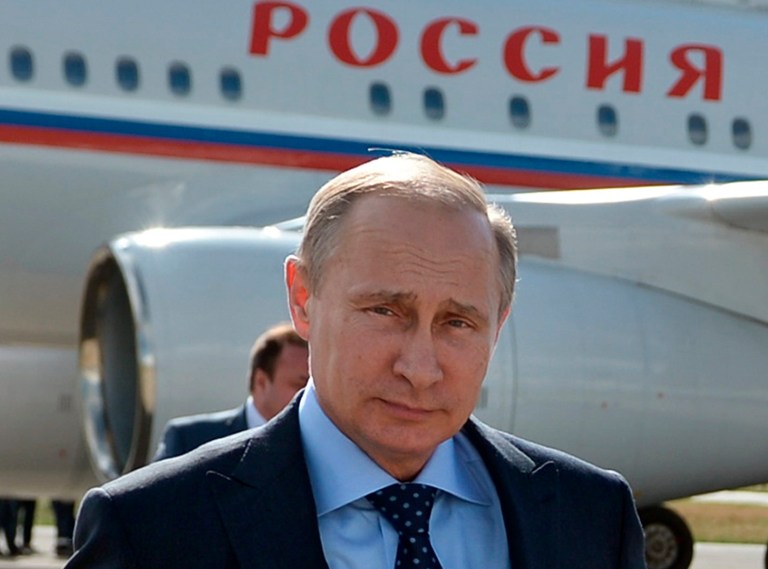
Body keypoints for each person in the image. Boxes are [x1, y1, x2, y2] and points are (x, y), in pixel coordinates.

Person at [65, 153, 646, 568]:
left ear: (499, 326)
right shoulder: (151, 531)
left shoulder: (592, 516)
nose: (420, 368)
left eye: (458, 323)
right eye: (384, 311)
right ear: (302, 298)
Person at [152, 322, 309, 461]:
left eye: (311, 385)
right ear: (261, 382)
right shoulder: (190, 440)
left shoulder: (313, 447)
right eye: (300, 383)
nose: (307, 392)